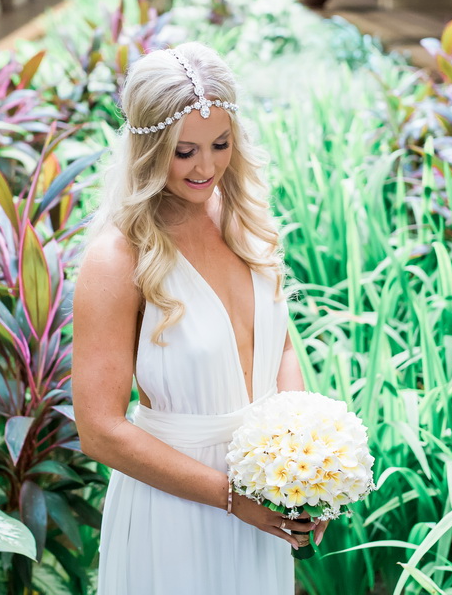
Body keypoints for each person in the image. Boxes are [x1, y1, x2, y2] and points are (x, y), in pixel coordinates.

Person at [72, 43, 327, 594]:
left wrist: (303, 470)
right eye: (184, 151)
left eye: (220, 144)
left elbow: (280, 347)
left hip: (264, 500)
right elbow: (99, 430)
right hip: (175, 512)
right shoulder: (118, 258)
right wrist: (230, 498)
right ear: (148, 147)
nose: (206, 167)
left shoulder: (243, 219)